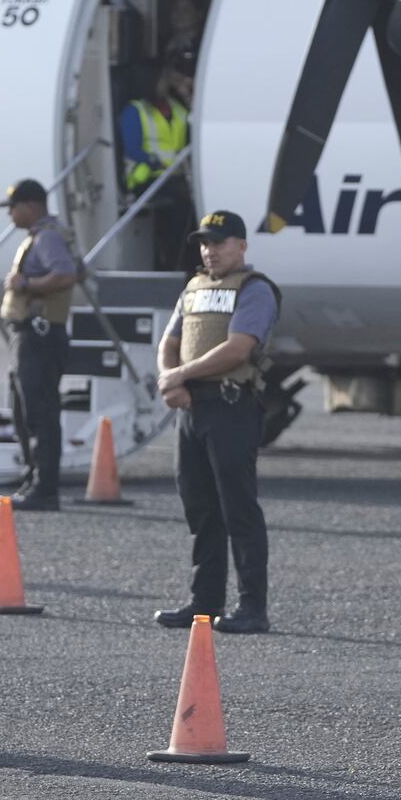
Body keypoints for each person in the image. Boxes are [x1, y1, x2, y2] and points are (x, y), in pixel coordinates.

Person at [153, 210, 280, 635]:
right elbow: (169, 342)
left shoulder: (255, 290)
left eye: (219, 242)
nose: (210, 250)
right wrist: (171, 381)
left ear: (241, 246)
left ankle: (251, 607)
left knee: (238, 509)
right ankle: (203, 603)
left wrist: (180, 376)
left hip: (230, 405)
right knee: (200, 508)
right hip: (192, 408)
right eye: (205, 243)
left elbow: (238, 349)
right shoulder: (193, 288)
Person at [0, 179, 79, 512]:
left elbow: (67, 274)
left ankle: (44, 488)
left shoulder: (46, 238)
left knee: (38, 413)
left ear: (31, 206)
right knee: (26, 410)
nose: (11, 215)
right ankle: (35, 480)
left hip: (38, 335)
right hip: (34, 335)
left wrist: (27, 283)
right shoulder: (49, 235)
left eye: (14, 208)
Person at [117, 53, 194, 271]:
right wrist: (160, 163)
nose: (167, 83)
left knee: (186, 199)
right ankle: (175, 262)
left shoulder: (178, 109)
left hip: (174, 176)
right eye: (163, 78)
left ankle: (183, 259)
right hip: (146, 177)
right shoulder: (135, 111)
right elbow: (133, 150)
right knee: (182, 201)